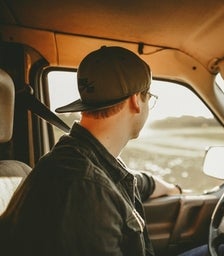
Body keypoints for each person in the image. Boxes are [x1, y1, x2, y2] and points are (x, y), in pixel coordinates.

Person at [0, 46, 183, 256]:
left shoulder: (82, 159)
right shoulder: (83, 189)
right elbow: (98, 188)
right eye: (148, 97)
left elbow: (129, 182)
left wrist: (171, 189)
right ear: (136, 101)